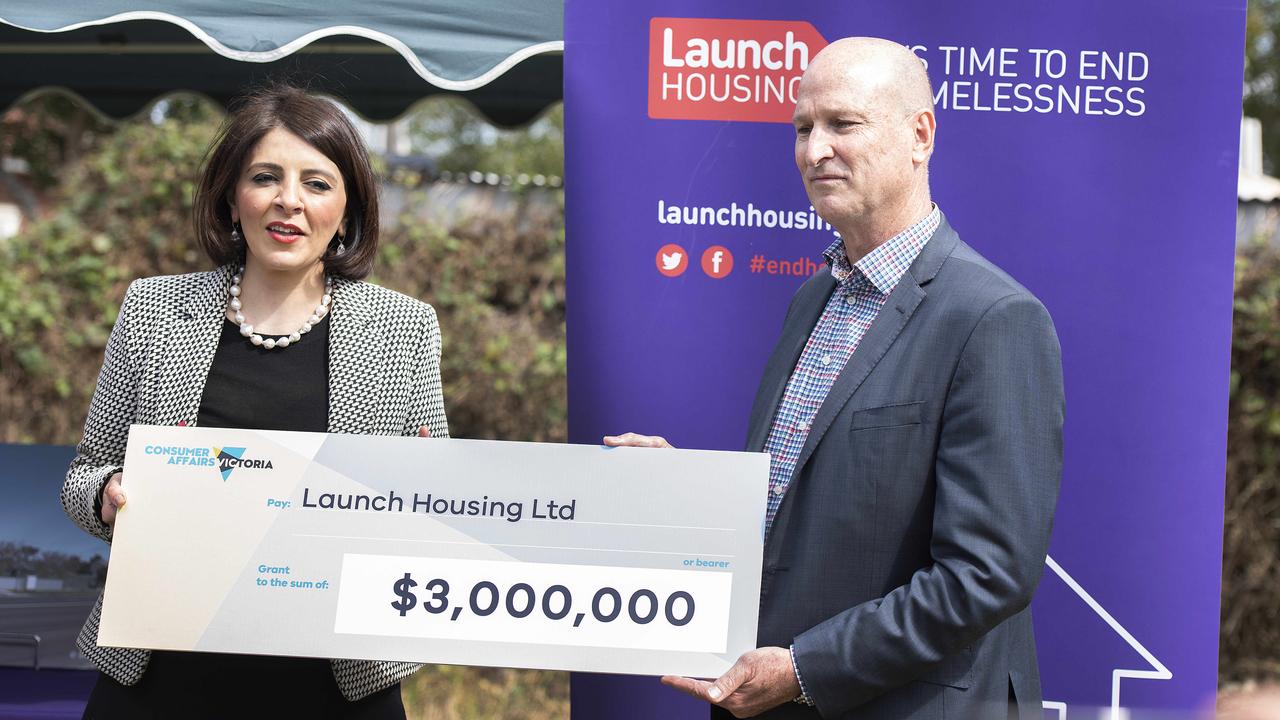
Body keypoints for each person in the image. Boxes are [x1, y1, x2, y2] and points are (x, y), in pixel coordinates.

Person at [606, 37, 1063, 719]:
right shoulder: (814, 298)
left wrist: (801, 670)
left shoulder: (993, 318)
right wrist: (695, 497)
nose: (813, 149)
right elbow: (808, 506)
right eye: (802, 128)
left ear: (920, 134)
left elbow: (985, 576)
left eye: (842, 124)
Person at [60, 85, 448, 718]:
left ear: (347, 211)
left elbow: (436, 502)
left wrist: (430, 493)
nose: (288, 201)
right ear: (232, 200)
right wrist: (107, 497)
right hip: (164, 677)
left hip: (337, 684)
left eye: (317, 183)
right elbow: (81, 481)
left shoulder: (404, 328)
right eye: (265, 177)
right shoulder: (154, 312)